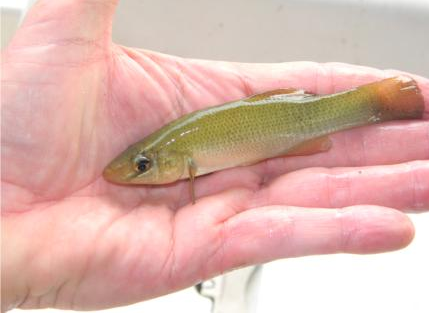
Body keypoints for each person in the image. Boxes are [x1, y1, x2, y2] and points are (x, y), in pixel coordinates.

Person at [2, 0, 428, 311]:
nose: (137, 172)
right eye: (142, 166)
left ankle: (379, 103)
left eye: (143, 167)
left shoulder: (184, 152)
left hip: (289, 117)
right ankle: (381, 102)